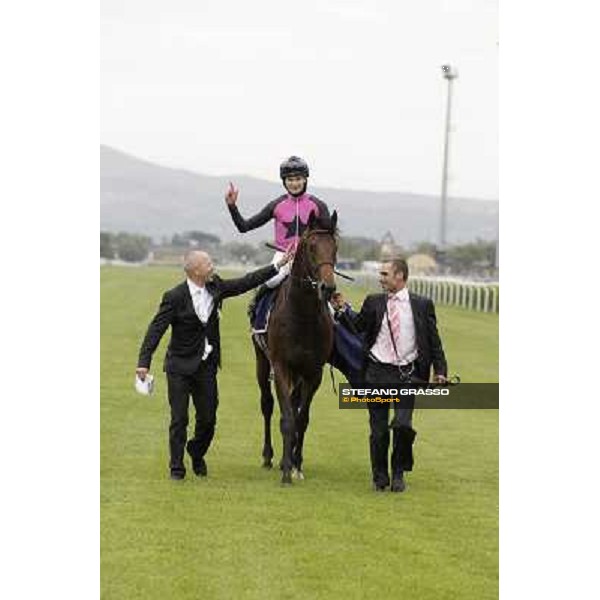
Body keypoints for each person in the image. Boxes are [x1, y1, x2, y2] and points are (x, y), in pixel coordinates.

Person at [136, 248, 293, 480]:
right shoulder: (174, 297)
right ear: (196, 270)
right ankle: (177, 468)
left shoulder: (216, 287)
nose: (213, 266)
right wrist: (143, 362)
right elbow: (156, 329)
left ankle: (197, 452)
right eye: (208, 263)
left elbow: (245, 282)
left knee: (208, 420)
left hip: (206, 367)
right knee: (179, 419)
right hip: (179, 366)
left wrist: (277, 265)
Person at [333, 258, 448, 493]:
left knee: (403, 425)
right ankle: (380, 476)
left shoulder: (422, 305)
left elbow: (433, 341)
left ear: (400, 276)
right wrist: (343, 309)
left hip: (408, 374)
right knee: (379, 430)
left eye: (385, 274)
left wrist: (441, 371)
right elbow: (359, 326)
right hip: (376, 373)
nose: (381, 278)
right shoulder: (374, 302)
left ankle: (399, 472)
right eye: (380, 274)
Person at [224, 156, 331, 330]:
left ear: (305, 179)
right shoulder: (277, 205)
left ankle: (335, 321)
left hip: (311, 259)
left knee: (326, 286)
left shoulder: (319, 205)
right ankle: (257, 310)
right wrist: (232, 207)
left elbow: (327, 238)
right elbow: (244, 226)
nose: (294, 183)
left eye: (298, 179)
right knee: (273, 280)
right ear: (284, 181)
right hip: (284, 256)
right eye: (290, 179)